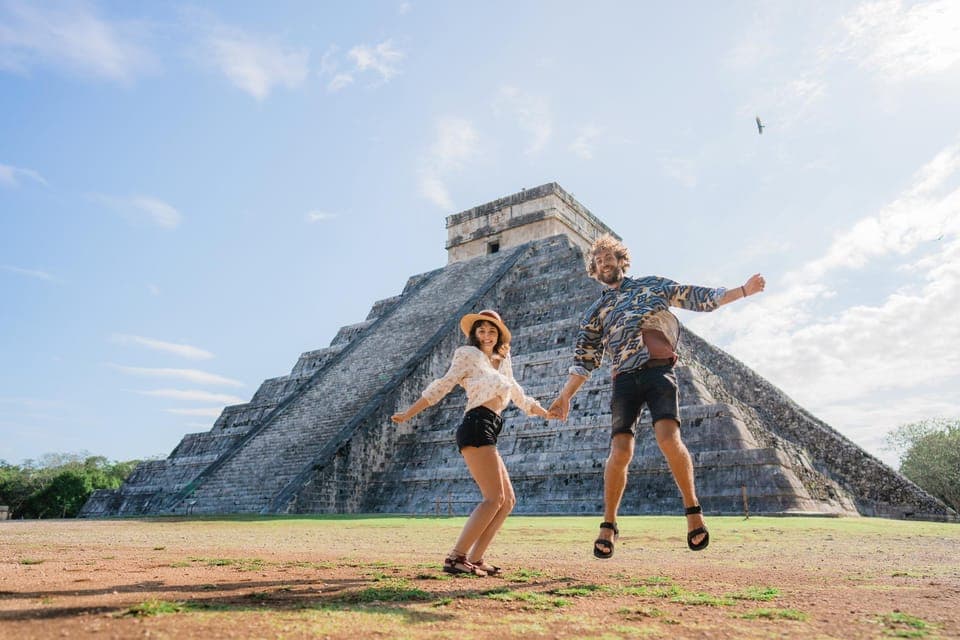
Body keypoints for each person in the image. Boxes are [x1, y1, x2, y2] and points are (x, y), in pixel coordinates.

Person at [547, 234, 765, 558]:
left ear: (622, 260)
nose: (605, 262)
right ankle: (608, 524)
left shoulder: (652, 286)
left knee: (668, 438)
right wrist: (565, 396)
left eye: (610, 257)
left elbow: (695, 296)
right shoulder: (596, 312)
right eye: (599, 260)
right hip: (623, 379)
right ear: (594, 269)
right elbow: (585, 359)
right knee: (619, 451)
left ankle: (693, 513)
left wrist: (743, 291)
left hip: (657, 370)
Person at [392, 309, 549, 576]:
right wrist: (409, 413)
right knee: (493, 497)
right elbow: (442, 385)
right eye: (481, 330)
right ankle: (456, 557)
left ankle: (475, 558)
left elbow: (518, 394)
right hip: (476, 423)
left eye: (492, 330)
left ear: (498, 334)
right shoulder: (467, 355)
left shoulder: (503, 358)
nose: (486, 335)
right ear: (474, 334)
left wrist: (546, 412)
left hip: (491, 426)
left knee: (507, 500)